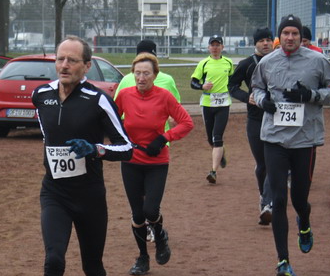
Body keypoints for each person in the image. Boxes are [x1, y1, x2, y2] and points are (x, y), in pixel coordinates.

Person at [32, 35, 133, 276]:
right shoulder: (41, 95)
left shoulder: (99, 101)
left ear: (86, 66)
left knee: (93, 267)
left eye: (72, 60)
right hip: (55, 193)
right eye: (60, 59)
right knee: (53, 259)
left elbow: (126, 147)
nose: (64, 65)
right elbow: (48, 137)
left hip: (89, 196)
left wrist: (96, 149)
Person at [251, 14, 330, 276]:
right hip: (274, 139)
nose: (290, 37)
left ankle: (304, 220)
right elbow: (256, 88)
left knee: (299, 199)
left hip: (304, 140)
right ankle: (283, 262)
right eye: (286, 33)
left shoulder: (317, 61)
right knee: (279, 199)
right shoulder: (267, 62)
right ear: (280, 36)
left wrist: (311, 95)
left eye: (294, 33)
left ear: (301, 37)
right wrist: (263, 101)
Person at [115, 52, 193, 276]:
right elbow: (111, 119)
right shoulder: (124, 95)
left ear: (155, 75)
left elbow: (186, 123)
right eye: (137, 73)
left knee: (150, 209)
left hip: (157, 161)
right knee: (137, 214)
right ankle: (142, 258)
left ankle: (160, 236)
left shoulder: (164, 96)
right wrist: (120, 139)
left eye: (146, 73)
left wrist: (164, 138)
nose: (141, 78)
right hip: (131, 160)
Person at [228, 27, 275, 225]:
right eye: (261, 40)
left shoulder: (280, 61)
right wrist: (247, 97)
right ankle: (264, 197)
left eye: (268, 40)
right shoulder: (247, 64)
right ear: (255, 43)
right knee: (262, 164)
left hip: (277, 118)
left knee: (274, 162)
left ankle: (268, 204)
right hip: (256, 118)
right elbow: (232, 86)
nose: (265, 43)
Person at [190, 35, 234, 184]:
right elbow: (193, 82)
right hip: (208, 104)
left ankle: (213, 172)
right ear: (209, 47)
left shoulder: (228, 63)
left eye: (218, 45)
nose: (215, 47)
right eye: (212, 45)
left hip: (223, 104)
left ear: (222, 47)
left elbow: (232, 80)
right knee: (211, 139)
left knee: (217, 137)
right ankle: (221, 152)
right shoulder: (203, 64)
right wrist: (202, 86)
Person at [115, 39, 180, 101]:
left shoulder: (167, 80)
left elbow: (176, 104)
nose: (141, 78)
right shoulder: (126, 80)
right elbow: (116, 106)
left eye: (149, 59)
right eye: (141, 58)